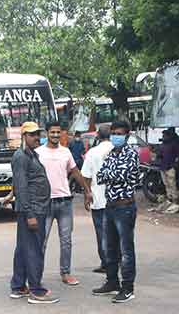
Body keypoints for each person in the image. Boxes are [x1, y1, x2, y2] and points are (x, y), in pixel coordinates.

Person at [2, 121, 58, 304]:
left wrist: (11, 194)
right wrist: (30, 214)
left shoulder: (31, 154)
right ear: (24, 136)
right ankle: (36, 290)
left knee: (24, 248)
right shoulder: (21, 157)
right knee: (34, 250)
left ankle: (18, 286)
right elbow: (22, 186)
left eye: (37, 134)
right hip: (33, 209)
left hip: (35, 207)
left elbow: (20, 182)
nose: (37, 137)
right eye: (32, 134)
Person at [36, 120, 91, 286]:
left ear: (62, 133)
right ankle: (35, 275)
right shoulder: (38, 153)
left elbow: (75, 172)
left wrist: (87, 191)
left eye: (58, 132)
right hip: (45, 203)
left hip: (65, 202)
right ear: (46, 133)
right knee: (41, 241)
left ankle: (65, 273)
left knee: (66, 241)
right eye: (52, 132)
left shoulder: (66, 152)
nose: (55, 135)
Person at [93, 120, 141, 303]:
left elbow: (122, 174)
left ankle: (128, 288)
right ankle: (112, 282)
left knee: (126, 249)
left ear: (127, 136)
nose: (115, 137)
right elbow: (100, 176)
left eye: (119, 134)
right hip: (110, 205)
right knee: (109, 247)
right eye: (113, 133)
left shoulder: (131, 154)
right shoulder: (111, 153)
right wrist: (111, 173)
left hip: (125, 207)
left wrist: (110, 174)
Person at [80, 123, 113, 274]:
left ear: (98, 136)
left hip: (98, 199)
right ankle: (118, 260)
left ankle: (106, 263)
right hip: (117, 200)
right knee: (118, 232)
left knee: (102, 233)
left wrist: (87, 195)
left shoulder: (93, 153)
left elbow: (86, 176)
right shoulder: (118, 149)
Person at [152, 128, 179, 214]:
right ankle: (170, 198)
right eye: (163, 135)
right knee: (166, 184)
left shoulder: (173, 145)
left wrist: (175, 164)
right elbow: (159, 155)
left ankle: (175, 199)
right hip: (163, 167)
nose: (163, 137)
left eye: (165, 135)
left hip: (170, 167)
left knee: (172, 184)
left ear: (168, 136)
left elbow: (178, 155)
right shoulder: (162, 145)